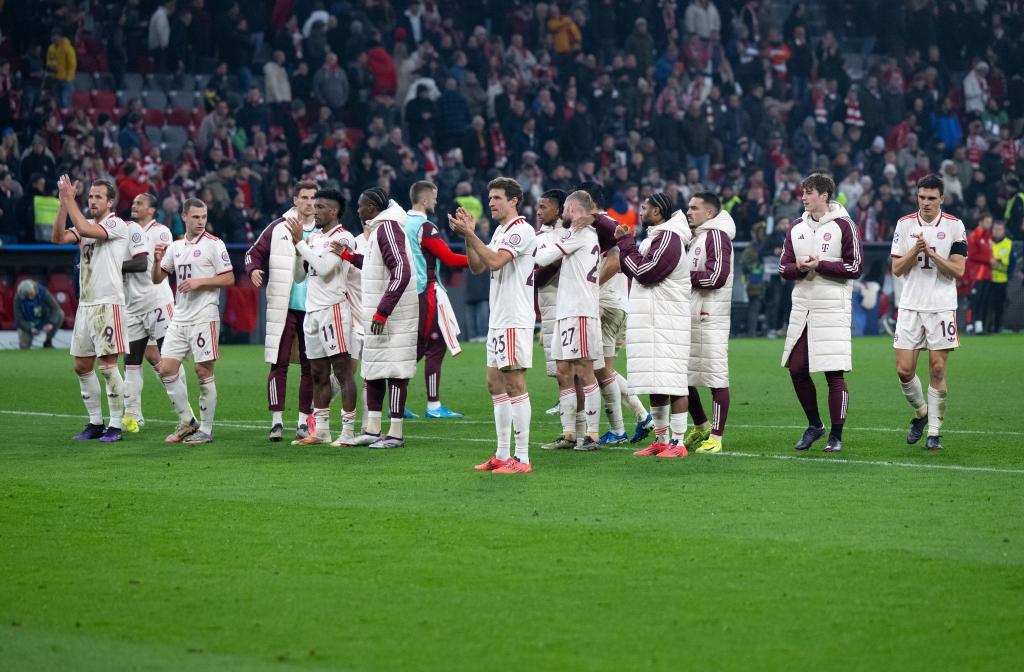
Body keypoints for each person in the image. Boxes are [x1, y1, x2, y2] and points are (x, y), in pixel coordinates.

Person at [449, 177, 536, 474]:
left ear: (513, 200)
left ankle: (522, 458)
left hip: (514, 316)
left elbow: (496, 262)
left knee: (514, 383)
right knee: (494, 384)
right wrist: (468, 235)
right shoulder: (500, 231)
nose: (491, 203)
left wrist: (471, 235)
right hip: (498, 319)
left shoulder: (522, 230)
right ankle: (501, 454)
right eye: (490, 199)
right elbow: (477, 266)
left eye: (497, 198)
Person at [779, 173, 863, 453]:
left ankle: (836, 435)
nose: (803, 197)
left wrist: (821, 265)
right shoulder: (796, 227)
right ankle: (815, 425)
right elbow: (783, 268)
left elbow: (855, 267)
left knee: (834, 375)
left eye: (809, 192)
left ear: (824, 195)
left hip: (832, 308)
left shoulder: (844, 225)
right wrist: (801, 268)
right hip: (803, 308)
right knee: (796, 368)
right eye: (803, 192)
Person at [890, 174, 967, 451]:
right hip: (910, 305)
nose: (926, 203)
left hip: (942, 306)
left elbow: (959, 270)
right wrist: (915, 251)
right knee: (903, 370)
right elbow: (897, 269)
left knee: (937, 368)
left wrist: (933, 255)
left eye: (932, 198)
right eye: (922, 197)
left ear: (942, 199)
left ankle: (934, 433)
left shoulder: (955, 227)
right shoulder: (904, 224)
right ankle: (922, 413)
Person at [336, 188, 418, 448]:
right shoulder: (379, 230)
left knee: (394, 371)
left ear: (372, 206)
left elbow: (401, 270)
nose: (358, 210)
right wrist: (349, 256)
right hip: (378, 314)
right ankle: (372, 430)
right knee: (374, 371)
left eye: (361, 205)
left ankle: (395, 433)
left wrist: (384, 310)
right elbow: (376, 266)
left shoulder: (388, 228)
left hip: (393, 315)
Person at [51, 176, 130, 442]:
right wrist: (64, 204)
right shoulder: (86, 224)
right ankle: (96, 423)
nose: (92, 201)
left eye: (98, 197)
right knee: (82, 365)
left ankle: (116, 425)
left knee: (108, 366)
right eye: (91, 196)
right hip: (86, 304)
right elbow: (58, 237)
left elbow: (83, 228)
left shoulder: (116, 224)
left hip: (108, 303)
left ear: (110, 202)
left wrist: (69, 200)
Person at [615, 193, 693, 458]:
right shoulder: (655, 237)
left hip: (667, 320)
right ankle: (661, 440)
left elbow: (644, 273)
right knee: (655, 380)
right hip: (652, 320)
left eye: (645, 207)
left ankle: (678, 442)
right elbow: (636, 269)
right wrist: (628, 243)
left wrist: (626, 244)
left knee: (672, 382)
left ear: (658, 211)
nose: (641, 210)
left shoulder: (669, 238)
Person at [574, 181, 653, 446]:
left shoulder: (601, 225)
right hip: (619, 303)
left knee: (600, 370)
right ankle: (635, 420)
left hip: (607, 304)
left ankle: (627, 424)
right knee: (604, 370)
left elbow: (617, 258)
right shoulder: (605, 223)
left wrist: (591, 288)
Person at [152, 198, 235, 445]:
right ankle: (188, 421)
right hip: (180, 316)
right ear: (185, 217)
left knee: (203, 370)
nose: (201, 221)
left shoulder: (214, 244)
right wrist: (157, 261)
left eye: (204, 217)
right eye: (196, 217)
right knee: (165, 369)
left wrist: (201, 282)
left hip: (204, 316)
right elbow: (157, 279)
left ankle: (206, 431)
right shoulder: (176, 247)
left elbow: (229, 277)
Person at [245, 180, 319, 442]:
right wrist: (253, 269)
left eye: (313, 197)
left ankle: (302, 422)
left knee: (311, 366)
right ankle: (276, 422)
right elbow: (253, 253)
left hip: (314, 308)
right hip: (283, 306)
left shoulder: (324, 230)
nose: (310, 202)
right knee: (280, 362)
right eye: (305, 197)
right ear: (295, 200)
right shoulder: (278, 227)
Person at [535, 190, 603, 452]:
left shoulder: (583, 234)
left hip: (581, 311)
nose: (562, 210)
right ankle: (569, 434)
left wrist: (533, 245)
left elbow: (542, 258)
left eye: (564, 207)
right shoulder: (575, 233)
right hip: (566, 311)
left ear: (573, 209)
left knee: (585, 371)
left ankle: (593, 435)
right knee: (563, 371)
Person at [289, 189, 357, 446]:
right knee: (317, 372)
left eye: (320, 207)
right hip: (313, 311)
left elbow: (326, 269)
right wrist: (299, 252)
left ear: (334, 211)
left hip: (334, 310)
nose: (314, 211)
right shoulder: (315, 238)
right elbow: (299, 276)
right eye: (314, 206)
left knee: (342, 372)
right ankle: (322, 431)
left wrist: (299, 245)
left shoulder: (344, 238)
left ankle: (348, 433)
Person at [121, 193, 191, 433]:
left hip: (157, 302)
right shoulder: (126, 231)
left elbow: (151, 263)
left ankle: (185, 412)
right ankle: (132, 415)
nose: (134, 205)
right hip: (133, 305)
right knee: (131, 360)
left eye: (140, 203)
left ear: (151, 210)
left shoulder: (160, 232)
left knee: (167, 357)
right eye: (133, 202)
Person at [405, 181, 469, 418]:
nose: (436, 201)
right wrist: (480, 260)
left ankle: (397, 401)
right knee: (435, 346)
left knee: (417, 347)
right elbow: (449, 258)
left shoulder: (401, 222)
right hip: (425, 291)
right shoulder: (425, 226)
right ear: (424, 200)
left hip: (406, 291)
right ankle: (433, 406)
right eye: (434, 197)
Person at [683, 191, 735, 454]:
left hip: (710, 316)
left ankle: (716, 436)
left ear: (710, 213)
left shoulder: (717, 235)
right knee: (684, 375)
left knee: (716, 376)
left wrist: (681, 275)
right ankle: (702, 426)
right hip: (693, 314)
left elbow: (717, 276)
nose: (689, 212)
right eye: (688, 208)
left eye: (694, 208)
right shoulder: (698, 237)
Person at [533, 189, 567, 413]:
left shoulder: (570, 233)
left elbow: (550, 268)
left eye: (544, 207)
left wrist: (533, 278)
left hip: (566, 301)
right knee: (557, 358)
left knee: (584, 365)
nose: (538, 212)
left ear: (558, 208)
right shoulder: (539, 235)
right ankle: (565, 399)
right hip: (549, 302)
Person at [15, 279, 63, 349]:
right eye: (27, 296)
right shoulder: (18, 298)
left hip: (43, 320)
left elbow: (55, 308)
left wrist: (51, 323)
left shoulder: (43, 292)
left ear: (34, 288)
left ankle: (48, 341)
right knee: (24, 347)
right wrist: (30, 329)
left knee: (60, 314)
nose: (30, 297)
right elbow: (19, 319)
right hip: (28, 323)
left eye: (31, 294)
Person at [965, 213, 993, 334]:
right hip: (976, 274)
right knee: (974, 300)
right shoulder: (974, 236)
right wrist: (989, 260)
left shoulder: (988, 237)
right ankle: (969, 325)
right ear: (980, 222)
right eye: (987, 222)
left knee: (982, 301)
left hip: (986, 274)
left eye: (990, 222)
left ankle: (979, 327)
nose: (989, 225)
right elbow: (972, 254)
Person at [988, 221, 1015, 333]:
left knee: (999, 305)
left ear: (1004, 231)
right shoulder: (987, 241)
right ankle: (986, 327)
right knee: (987, 305)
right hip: (988, 279)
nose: (997, 231)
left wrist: (1008, 273)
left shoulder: (1008, 243)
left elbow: (1012, 263)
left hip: (1002, 280)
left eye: (999, 229)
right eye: (995, 229)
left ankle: (997, 327)